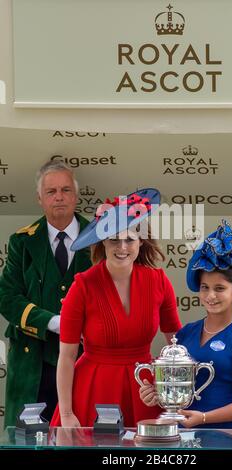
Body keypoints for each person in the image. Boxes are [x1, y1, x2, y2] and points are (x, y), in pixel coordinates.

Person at [50, 188, 182, 428]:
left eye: (130, 239)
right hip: (91, 392)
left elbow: (177, 345)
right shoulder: (82, 286)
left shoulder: (159, 281)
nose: (122, 247)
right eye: (114, 239)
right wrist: (67, 414)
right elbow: (67, 358)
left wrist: (170, 393)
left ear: (141, 241)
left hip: (146, 391)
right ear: (103, 241)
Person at [140, 220, 232, 429]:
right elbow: (173, 388)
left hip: (227, 439)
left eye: (219, 288)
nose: (210, 296)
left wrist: (204, 417)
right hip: (184, 437)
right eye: (205, 287)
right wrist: (153, 392)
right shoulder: (185, 333)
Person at [0, 161, 92, 427]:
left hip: (84, 359)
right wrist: (55, 323)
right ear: (39, 199)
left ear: (75, 196)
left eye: (65, 190)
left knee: (85, 438)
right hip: (33, 363)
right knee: (27, 440)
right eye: (51, 192)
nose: (59, 197)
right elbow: (8, 298)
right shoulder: (22, 242)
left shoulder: (100, 240)